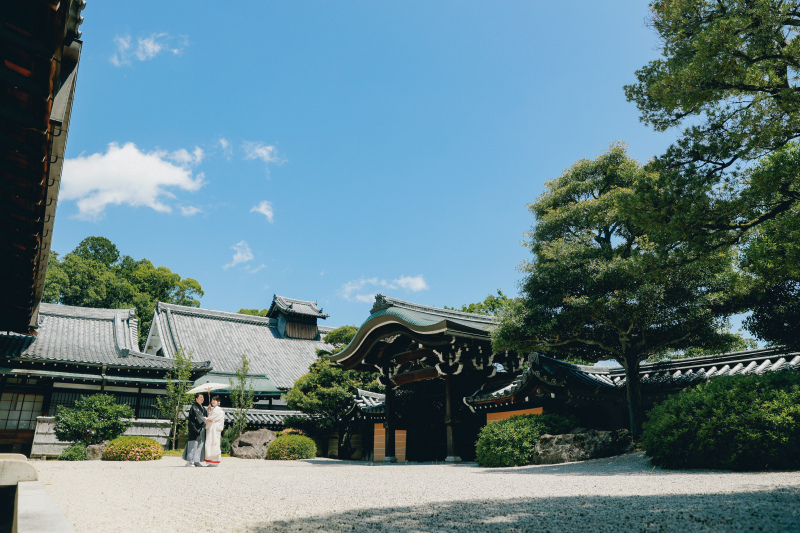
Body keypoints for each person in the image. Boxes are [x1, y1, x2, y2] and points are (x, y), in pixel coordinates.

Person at [182, 393, 207, 467]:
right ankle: (189, 462)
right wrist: (205, 419)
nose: (202, 399)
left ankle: (196, 461)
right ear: (196, 399)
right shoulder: (194, 407)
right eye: (200, 397)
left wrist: (208, 410)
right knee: (193, 445)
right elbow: (199, 417)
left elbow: (204, 416)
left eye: (203, 397)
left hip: (201, 429)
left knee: (200, 446)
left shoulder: (203, 408)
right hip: (195, 428)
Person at [204, 396, 225, 466]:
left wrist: (205, 419)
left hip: (214, 429)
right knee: (211, 444)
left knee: (214, 444)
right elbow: (210, 418)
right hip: (213, 429)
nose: (213, 402)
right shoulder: (214, 410)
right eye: (212, 400)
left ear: (218, 402)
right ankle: (211, 460)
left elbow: (210, 419)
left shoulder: (217, 410)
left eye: (215, 400)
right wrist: (208, 411)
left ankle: (214, 460)